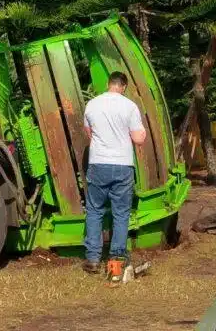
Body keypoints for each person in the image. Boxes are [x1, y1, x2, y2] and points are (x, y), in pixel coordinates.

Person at [82, 71, 146, 278]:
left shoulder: (92, 105)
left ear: (109, 84)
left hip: (98, 164)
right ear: (124, 86)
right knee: (120, 213)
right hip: (122, 165)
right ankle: (116, 261)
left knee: (94, 210)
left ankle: (92, 259)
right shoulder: (129, 106)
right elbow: (138, 139)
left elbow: (89, 133)